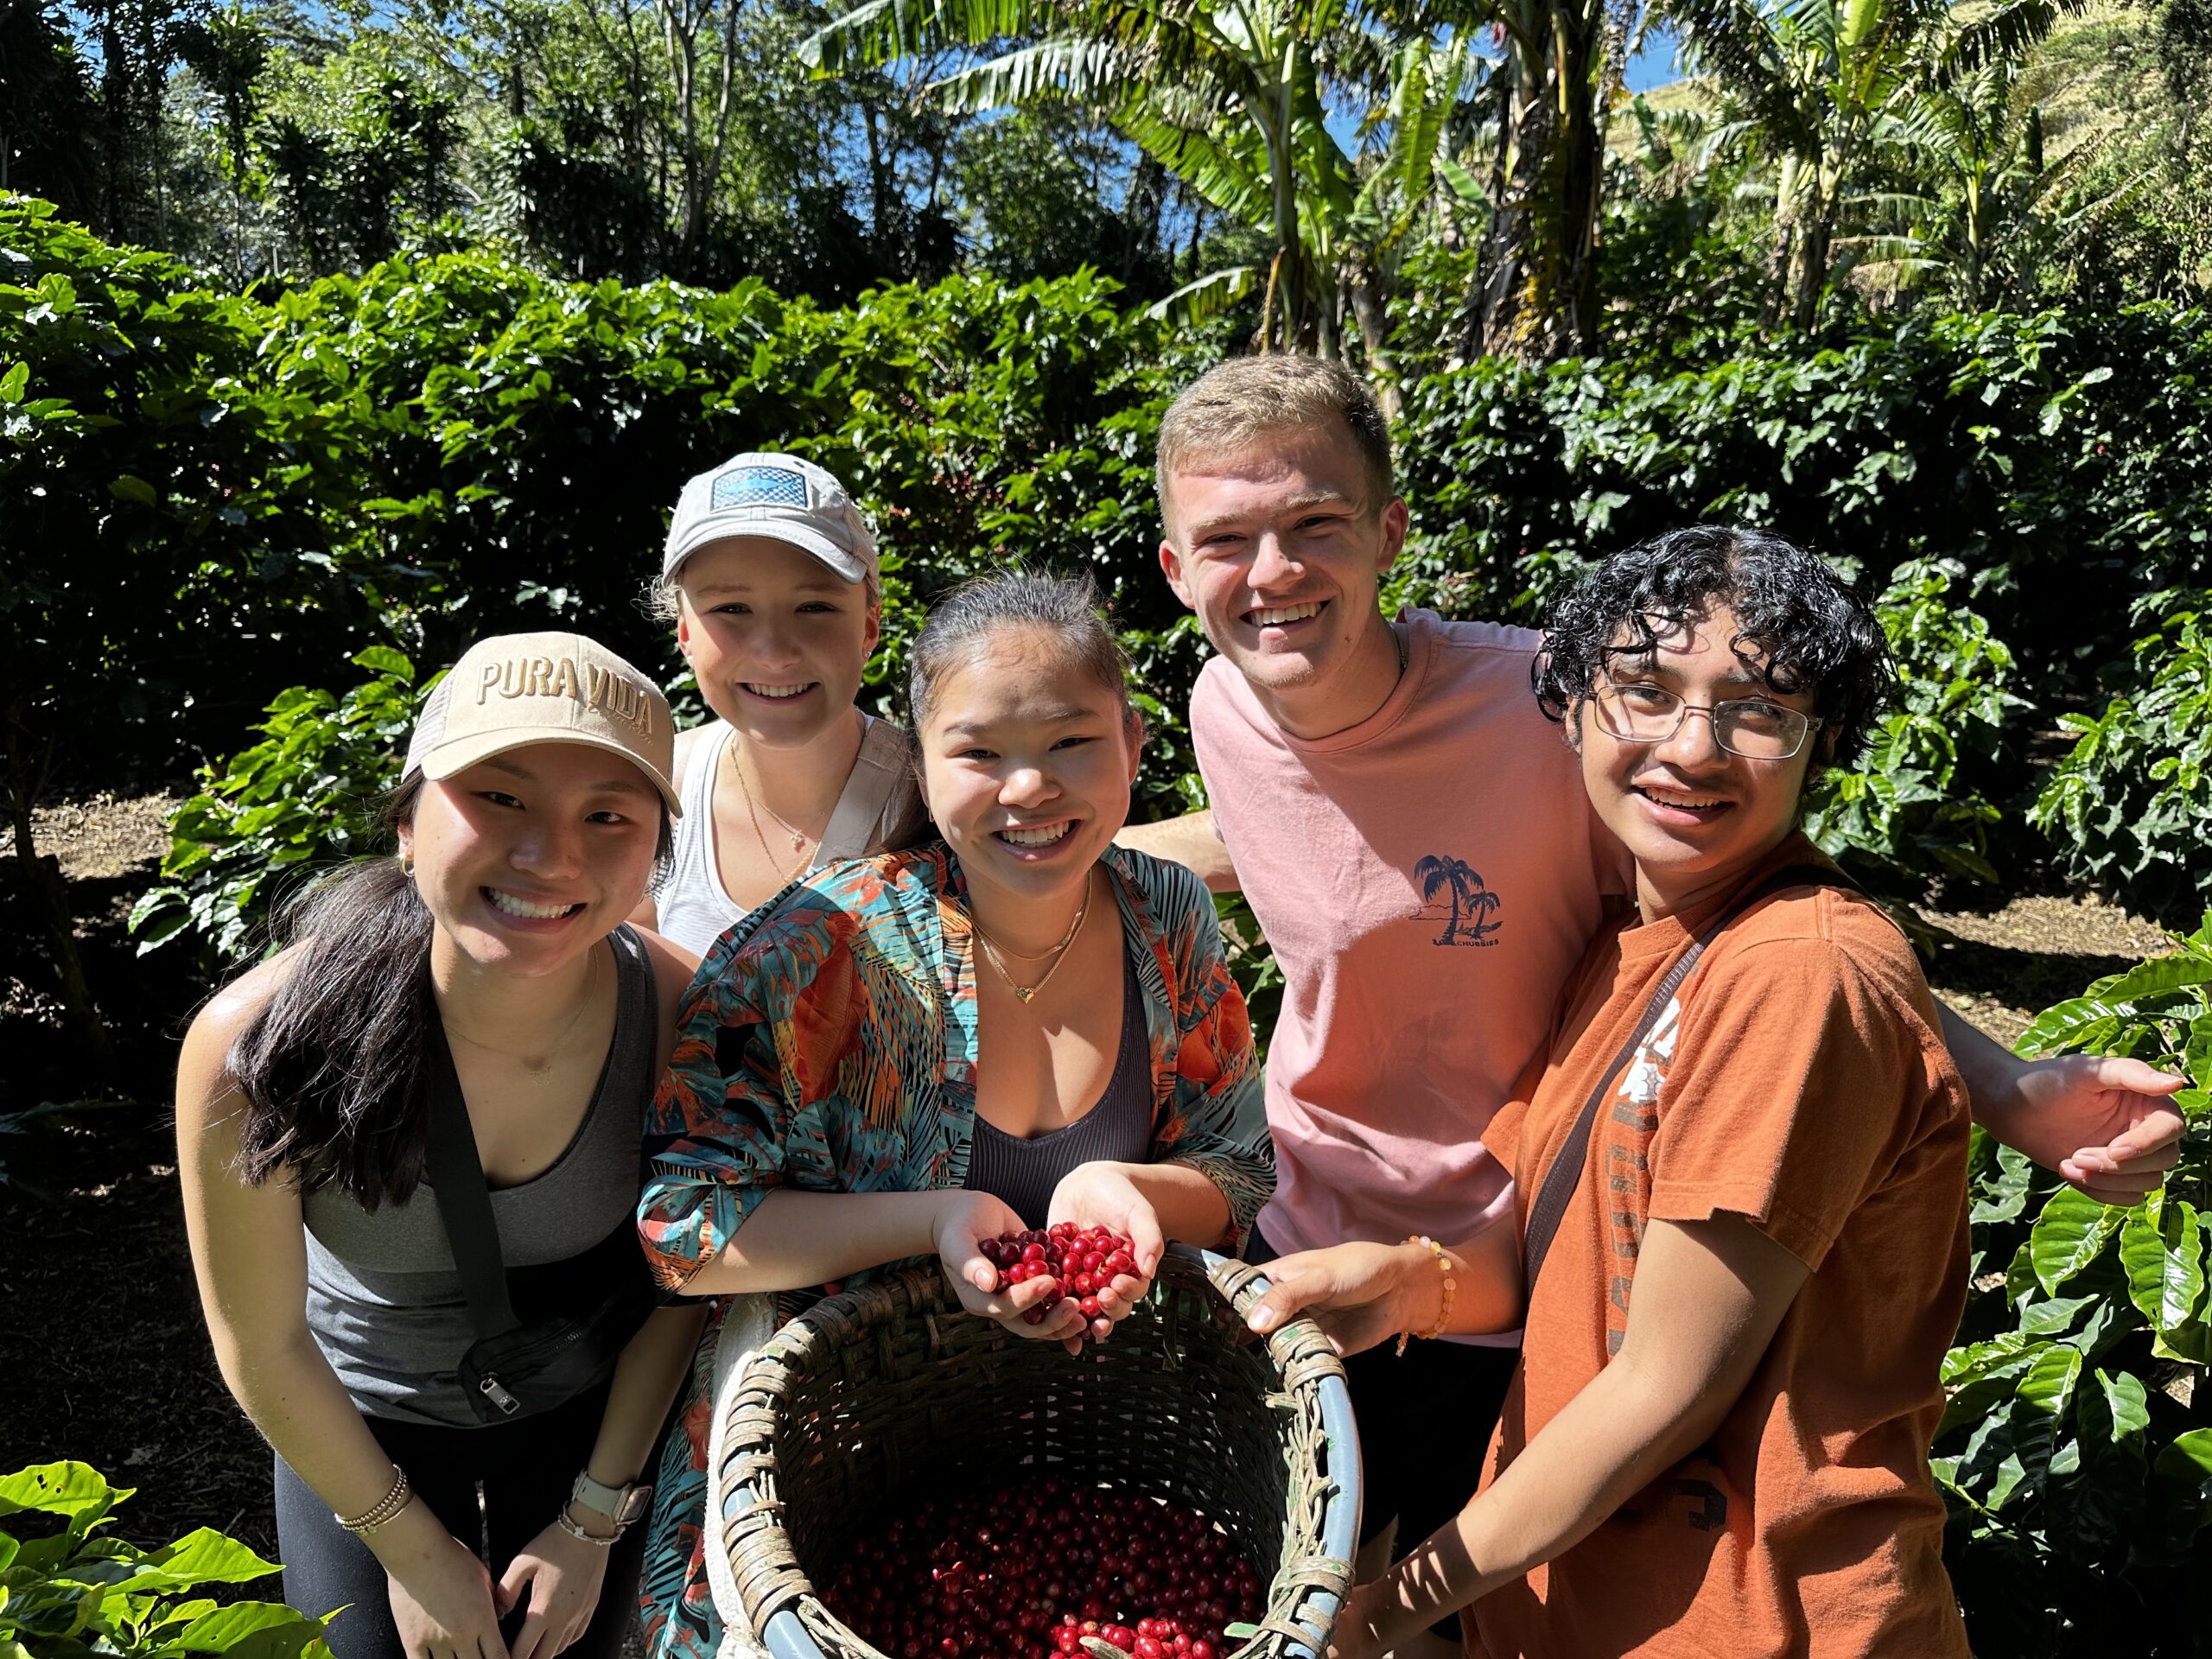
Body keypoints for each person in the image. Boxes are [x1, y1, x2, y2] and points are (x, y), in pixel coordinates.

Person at [1118, 353, 2187, 1649]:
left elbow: (1774, 914)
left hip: (1520, 1253)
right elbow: (1279, 836)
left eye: (1316, 526)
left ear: (1391, 532)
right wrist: (1003, 838)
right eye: (1227, 539)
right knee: (1270, 1582)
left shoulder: (1557, 707)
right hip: (1332, 1237)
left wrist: (2005, 1083)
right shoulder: (1223, 704)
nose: (1273, 571)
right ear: (1178, 569)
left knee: (1427, 1585)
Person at [1246, 526, 1974, 1656]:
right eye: (1645, 689)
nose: (1692, 746)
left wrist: (1375, 1613)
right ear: (1575, 709)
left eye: (1759, 708)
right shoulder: (1630, 941)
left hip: (1753, 1623)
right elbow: (1566, 1262)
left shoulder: (1797, 974)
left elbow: (1663, 1386)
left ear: (1818, 744)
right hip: (1589, 1607)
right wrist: (1401, 1283)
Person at [633, 572, 1275, 1659]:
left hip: (1104, 1453)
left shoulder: (1164, 917)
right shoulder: (814, 955)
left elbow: (1238, 1169)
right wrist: (936, 1221)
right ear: (924, 768)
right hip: (844, 1469)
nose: (1029, 788)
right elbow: (684, 1233)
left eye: (1073, 742)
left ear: (1130, 743)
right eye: (979, 753)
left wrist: (1132, 1194)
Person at [176, 632, 707, 1659]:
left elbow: (686, 1280)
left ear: (652, 854)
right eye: (499, 798)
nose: (550, 855)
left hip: (591, 1398)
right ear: (408, 822)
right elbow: (262, 1344)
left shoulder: (679, 1014)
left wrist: (595, 1519)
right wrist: (411, 1552)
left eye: (607, 815)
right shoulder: (259, 1047)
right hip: (355, 1416)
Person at [632, 449, 927, 957]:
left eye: (814, 607)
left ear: (869, 626)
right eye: (731, 609)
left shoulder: (938, 795)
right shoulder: (653, 793)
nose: (774, 654)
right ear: (685, 632)